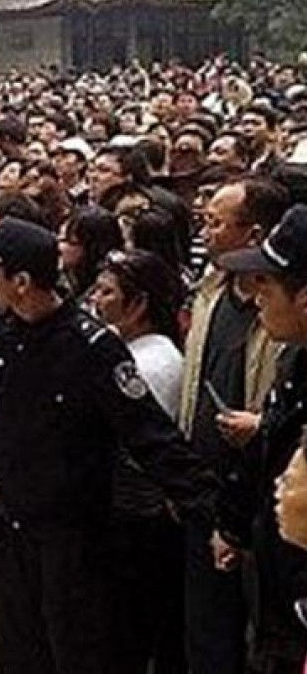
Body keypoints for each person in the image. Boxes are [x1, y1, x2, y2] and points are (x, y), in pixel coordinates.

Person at [0, 218, 215, 674]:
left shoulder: (92, 347)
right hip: (13, 528)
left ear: (22, 282)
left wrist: (212, 513)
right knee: (18, 651)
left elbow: (151, 436)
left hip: (75, 542)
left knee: (76, 654)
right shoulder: (0, 329)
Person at [179, 177, 288, 674]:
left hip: (269, 500)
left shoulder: (286, 318)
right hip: (207, 487)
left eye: (216, 223)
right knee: (206, 623)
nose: (206, 231)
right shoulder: (210, 290)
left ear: (255, 231)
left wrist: (263, 423)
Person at [214, 206, 307, 672]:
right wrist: (234, 526)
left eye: (266, 288)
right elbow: (269, 448)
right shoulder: (294, 363)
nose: (255, 300)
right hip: (277, 595)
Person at [87, 249, 188, 673]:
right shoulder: (125, 350)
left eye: (108, 292)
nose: (95, 299)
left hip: (138, 518)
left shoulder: (151, 362)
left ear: (140, 303)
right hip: (126, 515)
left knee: (130, 634)